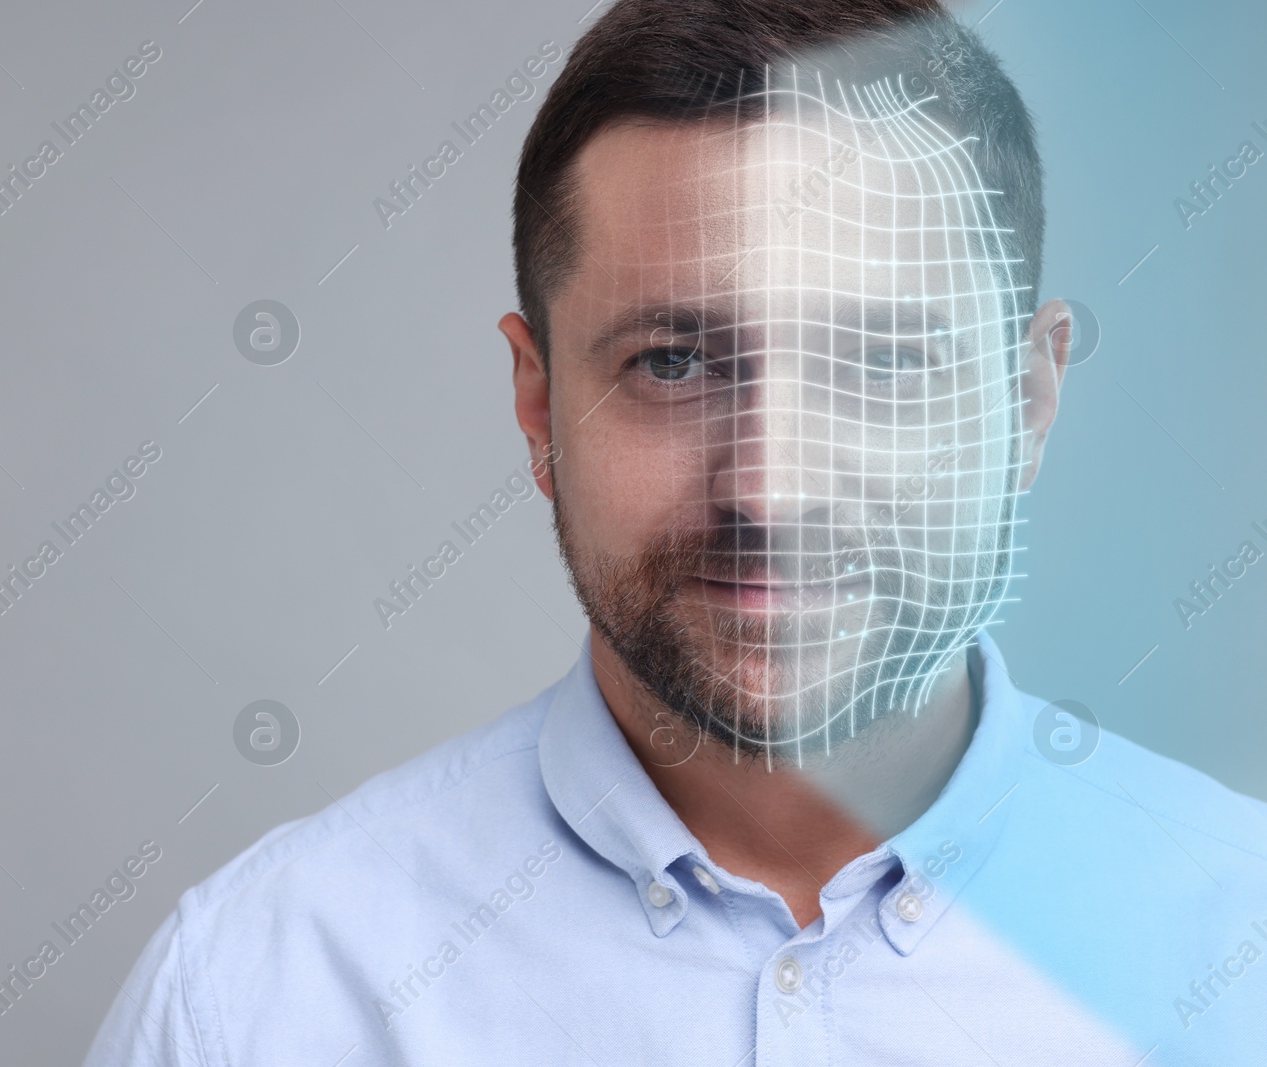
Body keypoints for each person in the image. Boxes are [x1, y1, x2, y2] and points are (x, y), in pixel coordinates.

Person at [86, 1, 1267, 1062]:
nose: (770, 490)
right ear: (537, 400)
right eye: (674, 360)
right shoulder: (255, 1000)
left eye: (883, 361)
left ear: (1025, 403)